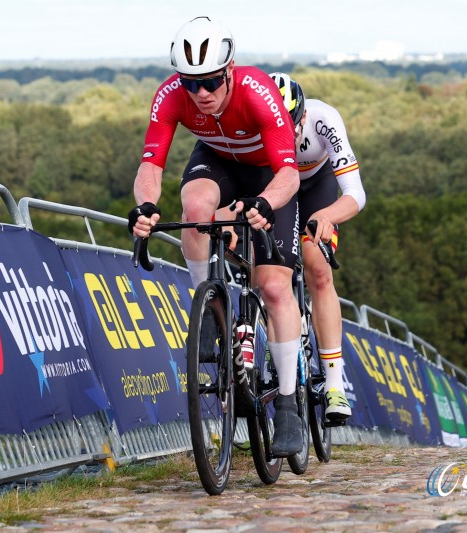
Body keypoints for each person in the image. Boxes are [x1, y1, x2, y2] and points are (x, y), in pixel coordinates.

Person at [127, 16, 304, 456]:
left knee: (275, 287)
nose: (201, 94)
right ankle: (208, 307)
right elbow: (151, 165)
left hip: (268, 170)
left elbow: (288, 172)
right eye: (191, 84)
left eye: (209, 82)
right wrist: (146, 207)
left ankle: (286, 404)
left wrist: (265, 203)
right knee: (194, 208)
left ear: (228, 71)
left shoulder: (257, 92)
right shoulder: (171, 96)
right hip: (218, 159)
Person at [269, 72, 367, 422]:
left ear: (303, 115)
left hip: (318, 189)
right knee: (270, 268)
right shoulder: (255, 126)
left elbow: (356, 193)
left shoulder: (324, 119)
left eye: (292, 124)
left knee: (318, 268)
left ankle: (335, 384)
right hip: (277, 188)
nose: (288, 134)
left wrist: (327, 215)